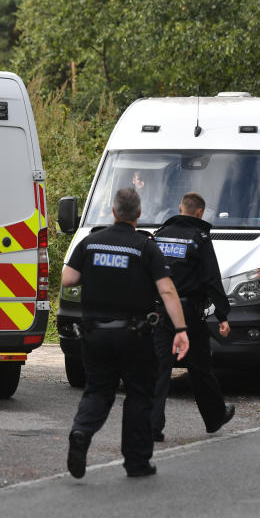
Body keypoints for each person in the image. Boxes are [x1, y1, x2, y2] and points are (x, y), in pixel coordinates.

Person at [62, 187, 190, 479]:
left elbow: (68, 278)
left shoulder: (91, 243)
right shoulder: (145, 247)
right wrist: (181, 329)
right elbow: (167, 289)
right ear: (139, 215)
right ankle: (136, 462)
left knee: (97, 390)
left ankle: (81, 432)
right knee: (139, 395)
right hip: (134, 336)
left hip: (94, 334)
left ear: (114, 212)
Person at [151, 192, 234, 441]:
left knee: (159, 368)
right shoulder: (199, 238)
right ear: (199, 213)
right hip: (188, 314)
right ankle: (215, 416)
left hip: (160, 310)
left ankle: (153, 425)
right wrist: (222, 315)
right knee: (200, 368)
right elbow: (211, 279)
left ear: (180, 208)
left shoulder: (160, 235)